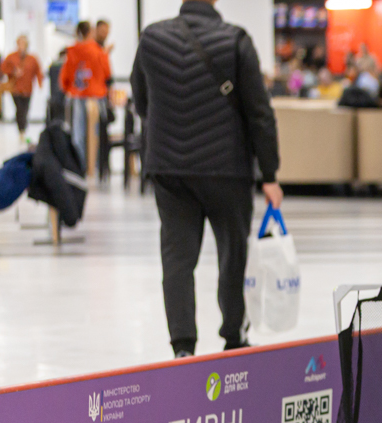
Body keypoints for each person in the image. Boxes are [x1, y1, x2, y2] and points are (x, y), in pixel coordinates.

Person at [132, 0, 281, 359]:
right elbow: (260, 113)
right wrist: (270, 174)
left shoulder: (151, 39)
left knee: (177, 258)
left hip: (170, 169)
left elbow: (141, 102)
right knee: (233, 254)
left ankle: (183, 345)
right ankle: (234, 335)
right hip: (226, 169)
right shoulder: (235, 40)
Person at [60, 21, 110, 177]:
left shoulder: (72, 51)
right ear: (90, 32)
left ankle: (80, 166)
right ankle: (97, 166)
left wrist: (70, 89)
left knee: (78, 134)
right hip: (96, 97)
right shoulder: (98, 51)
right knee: (97, 133)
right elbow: (107, 73)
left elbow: (64, 78)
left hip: (78, 96)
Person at [0, 35, 44, 140]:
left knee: (25, 109)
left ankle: (23, 128)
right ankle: (21, 129)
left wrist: (40, 82)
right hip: (16, 88)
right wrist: (13, 71)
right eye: (20, 44)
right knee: (19, 109)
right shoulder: (11, 57)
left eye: (24, 44)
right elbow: (3, 68)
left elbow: (38, 71)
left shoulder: (32, 58)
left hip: (28, 89)